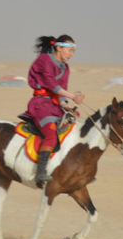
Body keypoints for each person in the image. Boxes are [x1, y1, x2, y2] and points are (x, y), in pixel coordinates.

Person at [21, 35, 84, 182]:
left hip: (55, 107)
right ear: (58, 47)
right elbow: (51, 85)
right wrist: (72, 96)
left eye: (73, 51)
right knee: (50, 135)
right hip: (40, 105)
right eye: (69, 50)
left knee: (72, 132)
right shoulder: (44, 60)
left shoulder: (65, 68)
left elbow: (60, 92)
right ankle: (40, 172)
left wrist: (67, 106)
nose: (71, 54)